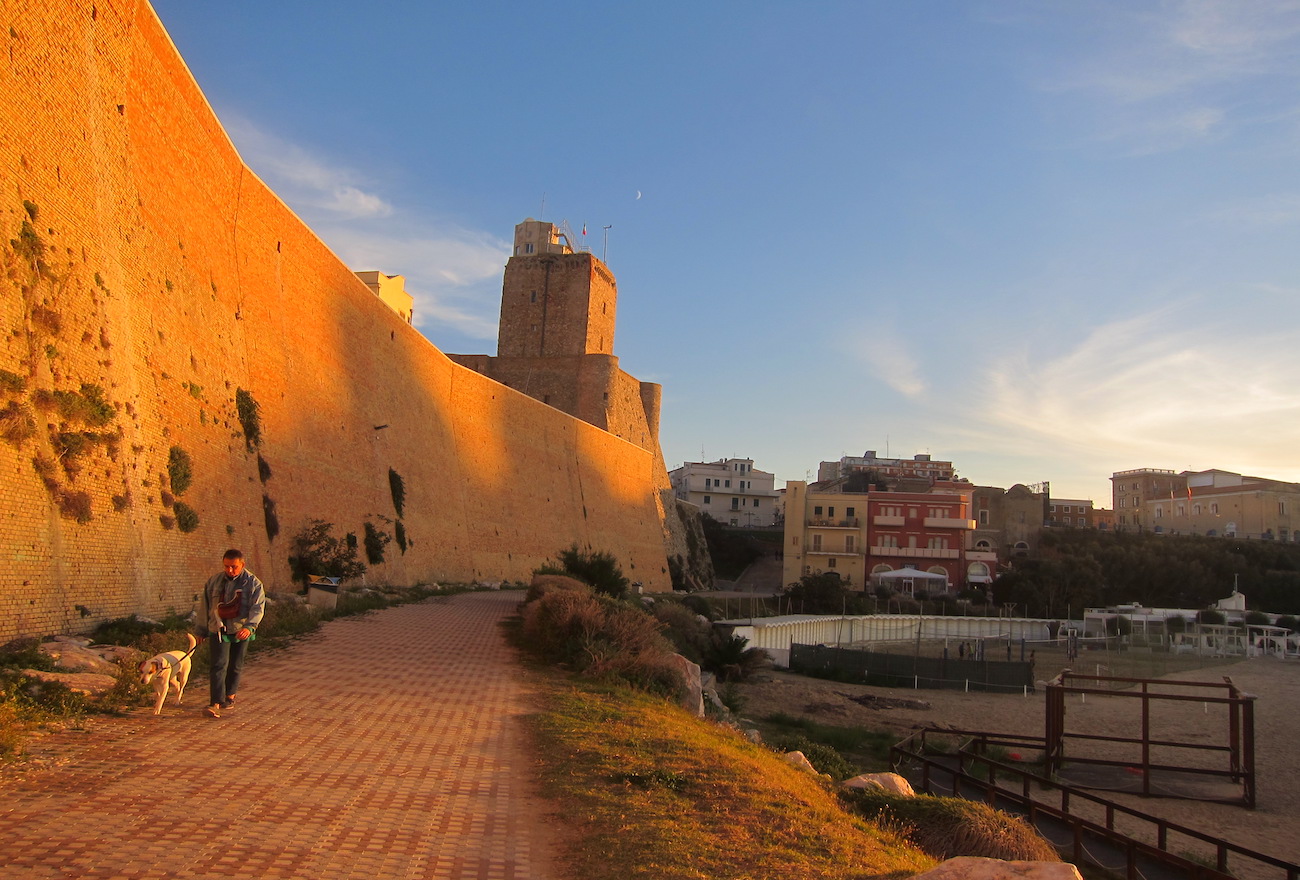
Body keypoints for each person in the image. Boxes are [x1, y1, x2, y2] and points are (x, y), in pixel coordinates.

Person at [199, 549, 265, 718]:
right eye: (226, 566)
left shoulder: (253, 583)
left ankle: (230, 696)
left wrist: (249, 627)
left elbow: (257, 607)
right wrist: (201, 631)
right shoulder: (214, 582)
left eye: (234, 567)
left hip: (241, 630)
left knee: (235, 665)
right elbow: (204, 607)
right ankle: (215, 702)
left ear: (242, 565)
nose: (229, 570)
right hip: (218, 629)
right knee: (218, 665)